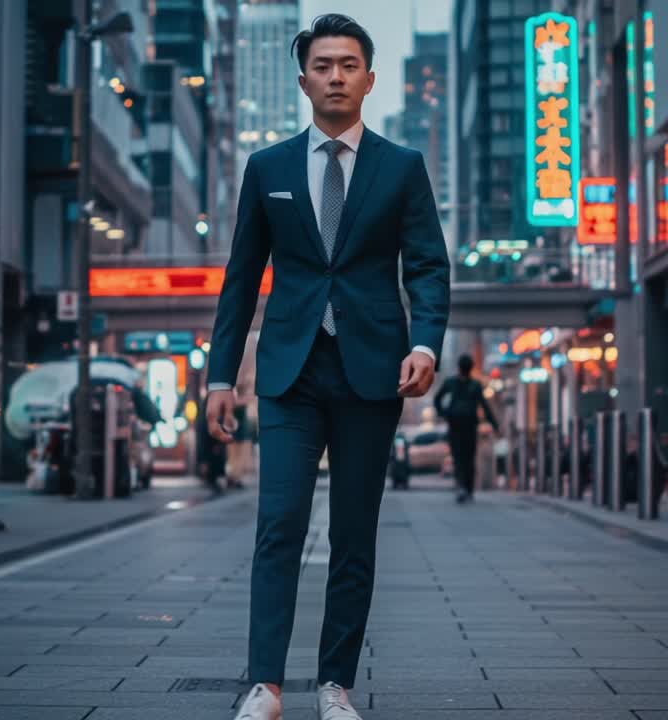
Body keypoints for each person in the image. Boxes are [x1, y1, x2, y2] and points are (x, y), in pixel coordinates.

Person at [204, 14, 450, 720]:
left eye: (348, 64)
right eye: (322, 64)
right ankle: (265, 685)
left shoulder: (401, 167)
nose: (335, 75)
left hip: (374, 374)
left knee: (353, 534)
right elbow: (241, 278)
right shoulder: (269, 168)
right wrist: (223, 377)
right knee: (279, 522)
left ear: (369, 78)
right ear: (304, 76)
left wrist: (426, 344)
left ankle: (335, 684)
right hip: (290, 373)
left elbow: (429, 267)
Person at [434, 355, 499, 503]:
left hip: (459, 425)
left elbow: (437, 399)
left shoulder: (453, 382)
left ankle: (463, 487)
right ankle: (466, 488)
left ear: (459, 368)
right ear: (471, 368)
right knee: (466, 457)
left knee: (460, 458)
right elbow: (485, 406)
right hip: (464, 425)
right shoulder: (474, 385)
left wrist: (443, 413)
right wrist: (494, 425)